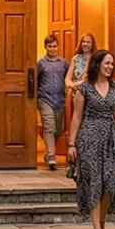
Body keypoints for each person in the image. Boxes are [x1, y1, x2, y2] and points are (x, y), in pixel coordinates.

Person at [65, 48, 115, 229]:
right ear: (97, 64)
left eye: (112, 64)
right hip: (89, 138)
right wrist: (71, 144)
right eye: (106, 63)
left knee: (109, 184)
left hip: (110, 139)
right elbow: (77, 116)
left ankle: (101, 221)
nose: (110, 67)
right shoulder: (84, 88)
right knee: (94, 182)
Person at [63, 33, 97, 179]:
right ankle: (72, 163)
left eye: (88, 42)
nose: (86, 44)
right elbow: (68, 79)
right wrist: (74, 85)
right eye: (83, 42)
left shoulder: (96, 59)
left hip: (92, 98)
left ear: (92, 44)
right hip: (77, 97)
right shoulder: (76, 59)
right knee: (75, 129)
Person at [34, 34, 70, 170]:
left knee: (57, 129)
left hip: (60, 100)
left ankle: (49, 151)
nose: (53, 49)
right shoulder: (41, 63)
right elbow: (35, 80)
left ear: (58, 46)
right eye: (50, 46)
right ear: (46, 47)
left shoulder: (64, 63)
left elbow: (68, 78)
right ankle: (51, 155)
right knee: (49, 126)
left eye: (55, 46)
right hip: (44, 99)